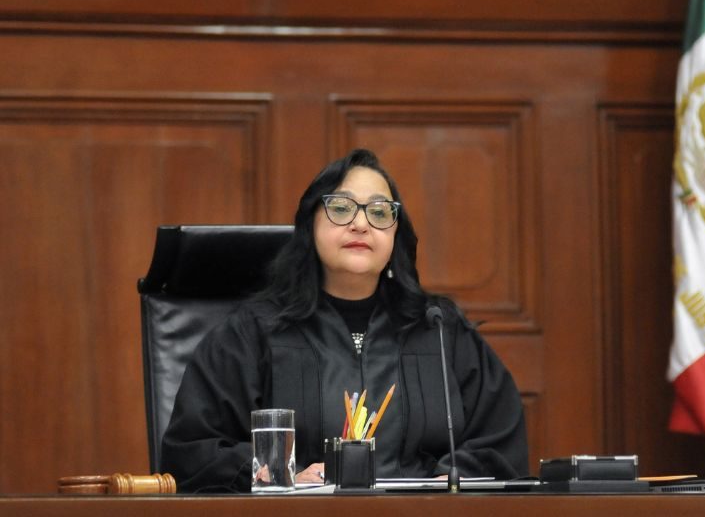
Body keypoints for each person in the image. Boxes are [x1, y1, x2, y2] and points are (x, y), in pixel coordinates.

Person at [161, 148, 529, 492]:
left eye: (380, 212)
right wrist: (280, 474)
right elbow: (192, 448)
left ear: (395, 234)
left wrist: (445, 483)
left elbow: (498, 440)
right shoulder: (254, 332)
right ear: (310, 226)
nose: (361, 224)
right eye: (341, 208)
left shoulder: (439, 329)